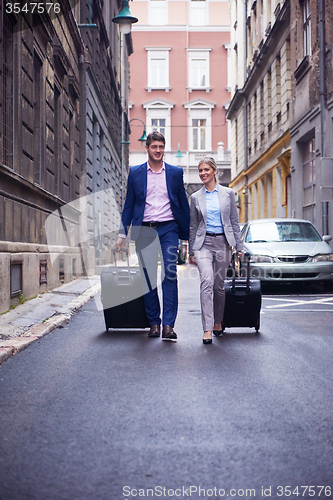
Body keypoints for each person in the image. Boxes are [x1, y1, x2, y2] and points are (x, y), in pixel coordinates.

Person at [116, 131, 190, 342]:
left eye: (161, 147)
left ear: (164, 148)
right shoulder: (136, 173)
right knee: (148, 278)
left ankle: (168, 325)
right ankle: (154, 323)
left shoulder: (175, 173)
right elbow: (129, 205)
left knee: (169, 273)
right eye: (154, 147)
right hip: (145, 229)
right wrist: (122, 233)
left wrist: (189, 234)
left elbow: (182, 204)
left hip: (169, 227)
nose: (158, 150)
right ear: (147, 148)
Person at [188, 157, 243, 344]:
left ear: (214, 171)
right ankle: (207, 328)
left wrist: (240, 247)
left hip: (223, 243)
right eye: (200, 170)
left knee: (219, 286)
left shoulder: (228, 193)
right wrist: (191, 251)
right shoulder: (195, 197)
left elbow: (234, 222)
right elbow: (193, 226)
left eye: (206, 170)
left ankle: (218, 321)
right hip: (203, 244)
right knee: (206, 281)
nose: (203, 173)